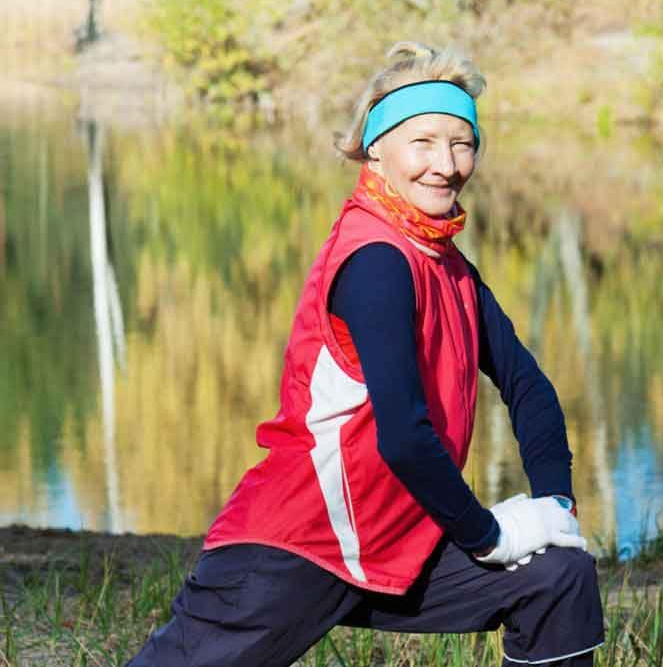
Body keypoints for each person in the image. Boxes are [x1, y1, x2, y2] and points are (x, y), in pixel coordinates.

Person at [125, 41, 604, 667]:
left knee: (556, 575)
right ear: (377, 149)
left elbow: (528, 386)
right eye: (423, 143)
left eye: (462, 143)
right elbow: (403, 437)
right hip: (299, 542)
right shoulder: (375, 259)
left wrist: (555, 511)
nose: (446, 165)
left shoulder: (447, 266)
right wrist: (490, 535)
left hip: (401, 539)